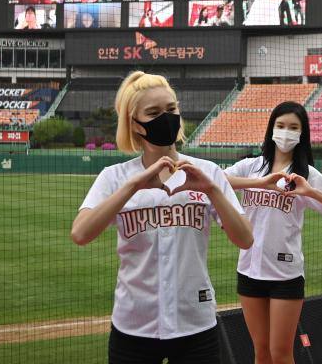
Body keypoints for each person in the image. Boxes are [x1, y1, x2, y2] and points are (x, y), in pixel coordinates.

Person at [71, 72, 253, 364]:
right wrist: (131, 187)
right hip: (134, 324)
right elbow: (81, 233)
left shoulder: (207, 172)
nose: (165, 118)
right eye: (153, 113)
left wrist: (212, 190)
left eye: (171, 110)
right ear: (134, 124)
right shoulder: (116, 177)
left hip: (195, 322)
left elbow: (245, 238)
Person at [224, 101, 322, 364]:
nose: (286, 132)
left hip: (285, 273)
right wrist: (261, 182)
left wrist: (310, 191)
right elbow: (217, 179)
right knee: (260, 351)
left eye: (293, 127)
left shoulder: (305, 174)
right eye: (281, 125)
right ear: (271, 128)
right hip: (249, 268)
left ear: (302, 134)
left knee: (281, 352)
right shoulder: (252, 166)